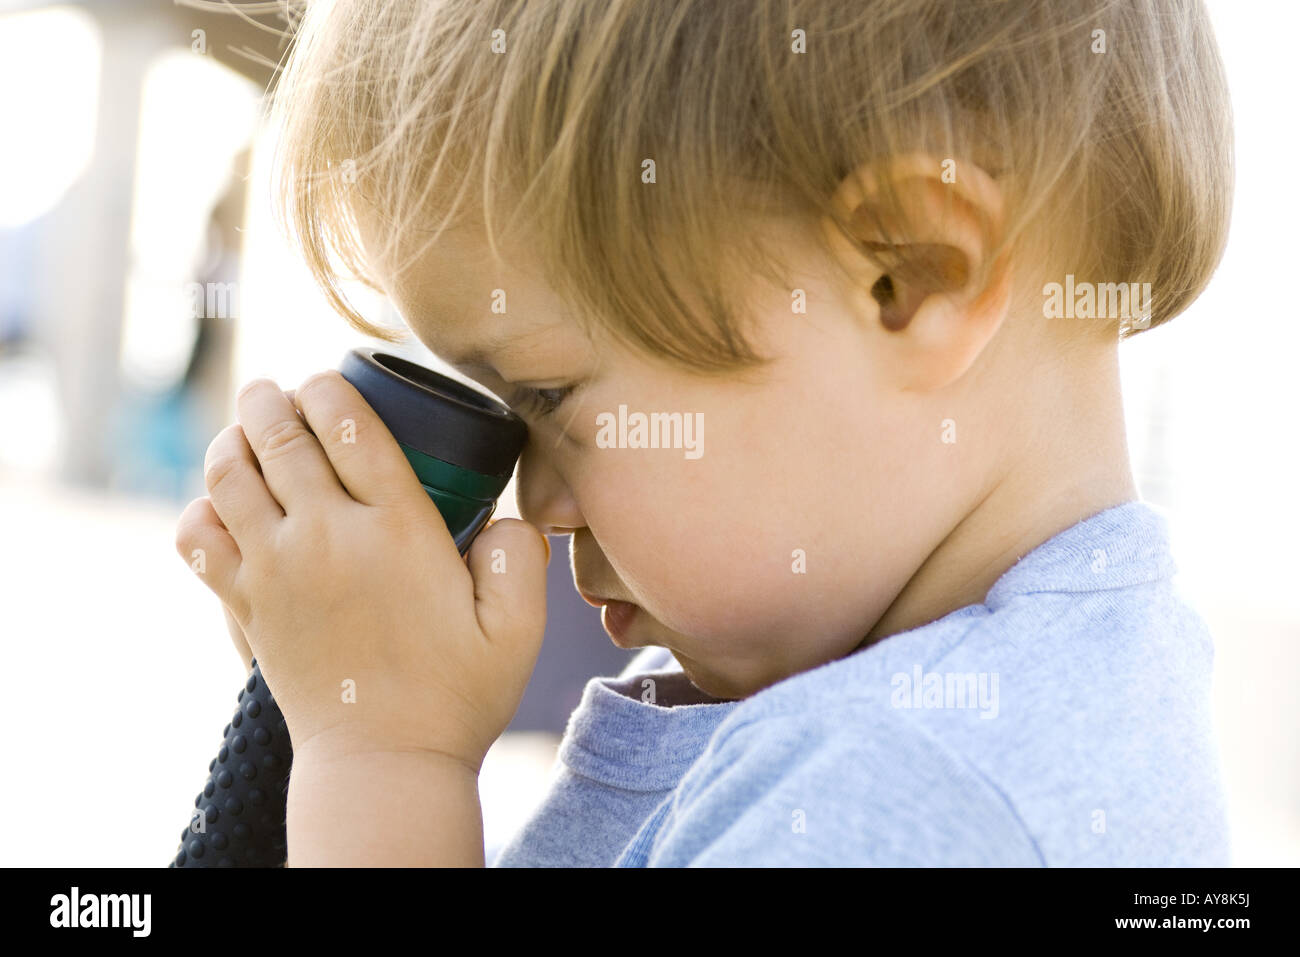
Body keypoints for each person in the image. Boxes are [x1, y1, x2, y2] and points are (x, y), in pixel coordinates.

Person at [176, 0, 1233, 865]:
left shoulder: (895, 793)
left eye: (549, 396)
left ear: (905, 279)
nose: (534, 509)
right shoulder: (1040, 703)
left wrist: (380, 754)